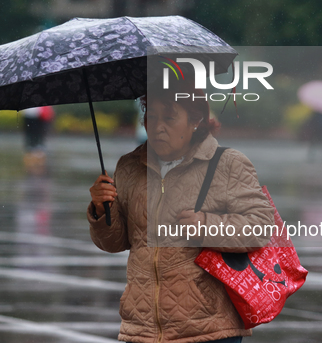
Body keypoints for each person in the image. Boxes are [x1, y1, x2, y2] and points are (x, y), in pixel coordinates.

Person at [88, 79, 275, 342]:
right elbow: (115, 242)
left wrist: (205, 225)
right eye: (150, 117)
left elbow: (261, 227)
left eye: (169, 117)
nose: (157, 126)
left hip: (208, 329)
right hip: (141, 328)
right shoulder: (128, 166)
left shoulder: (227, 164)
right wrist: (101, 209)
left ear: (195, 119)